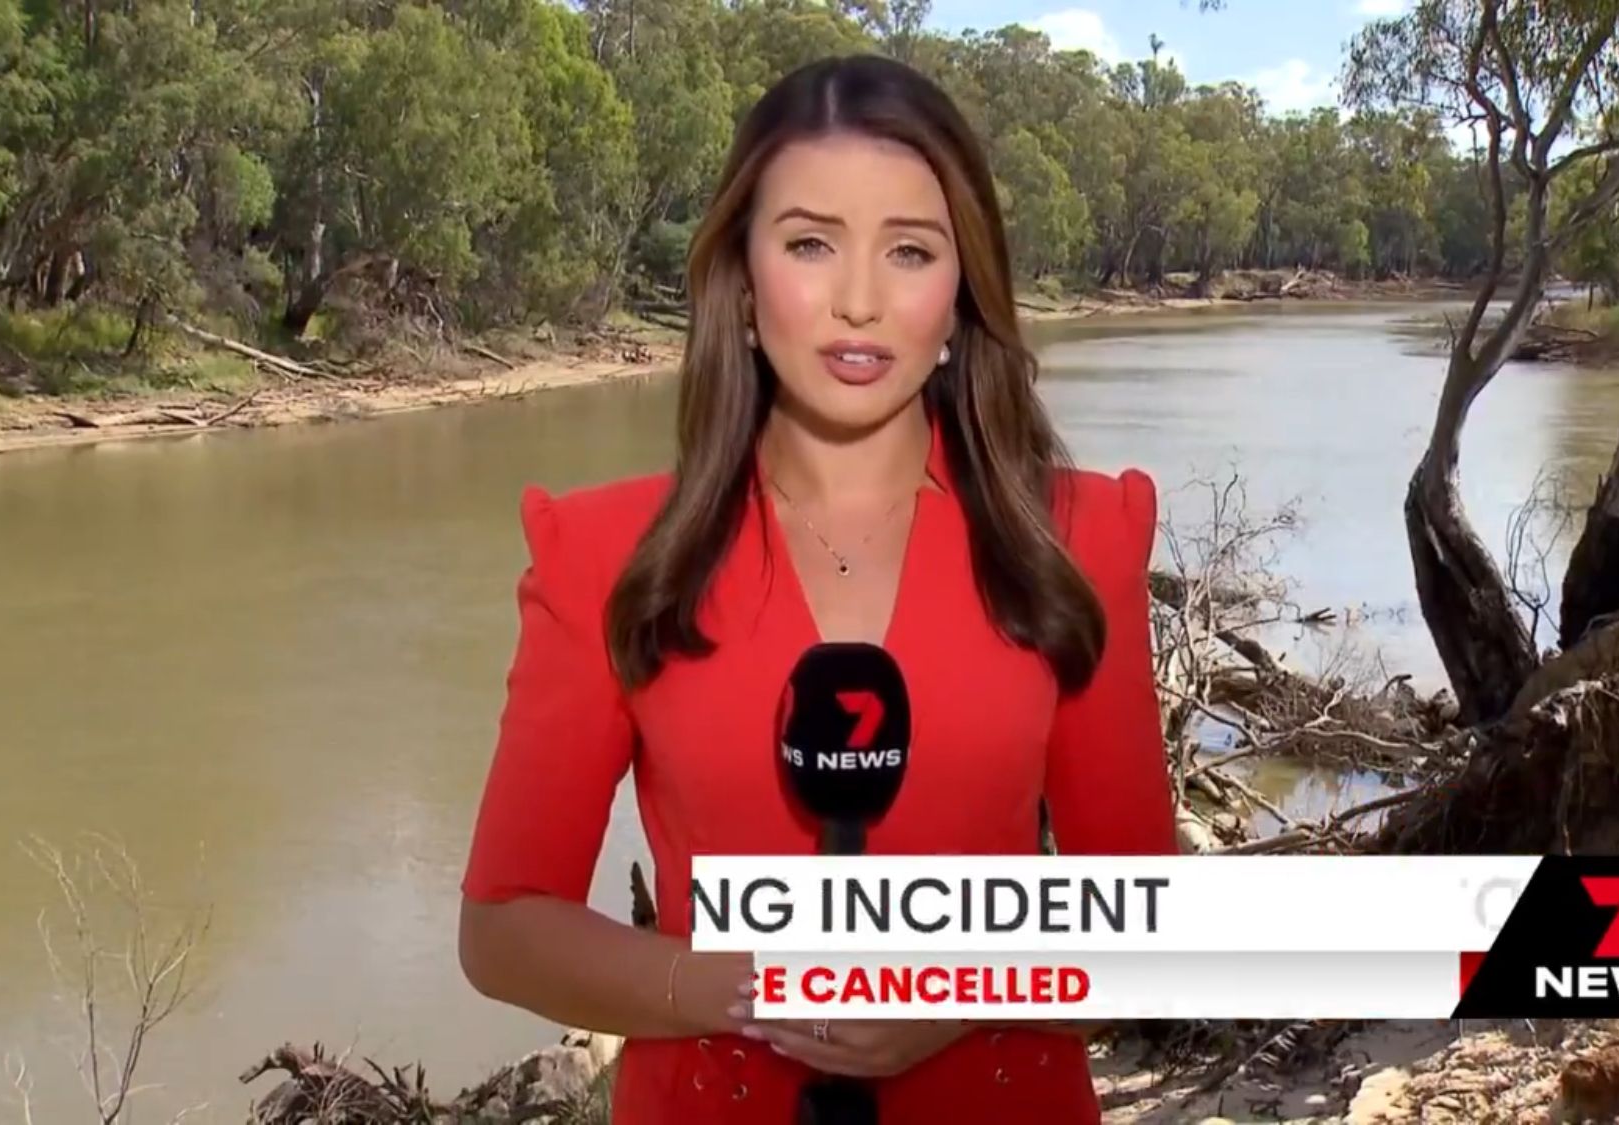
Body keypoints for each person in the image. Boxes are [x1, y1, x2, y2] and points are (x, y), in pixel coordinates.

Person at [457, 53, 1180, 1125]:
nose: (857, 301)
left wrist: (961, 987)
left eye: (909, 251)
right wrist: (734, 989)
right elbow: (503, 927)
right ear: (743, 285)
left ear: (960, 293)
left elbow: (1149, 922)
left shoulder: (1074, 540)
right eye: (809, 243)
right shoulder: (606, 556)